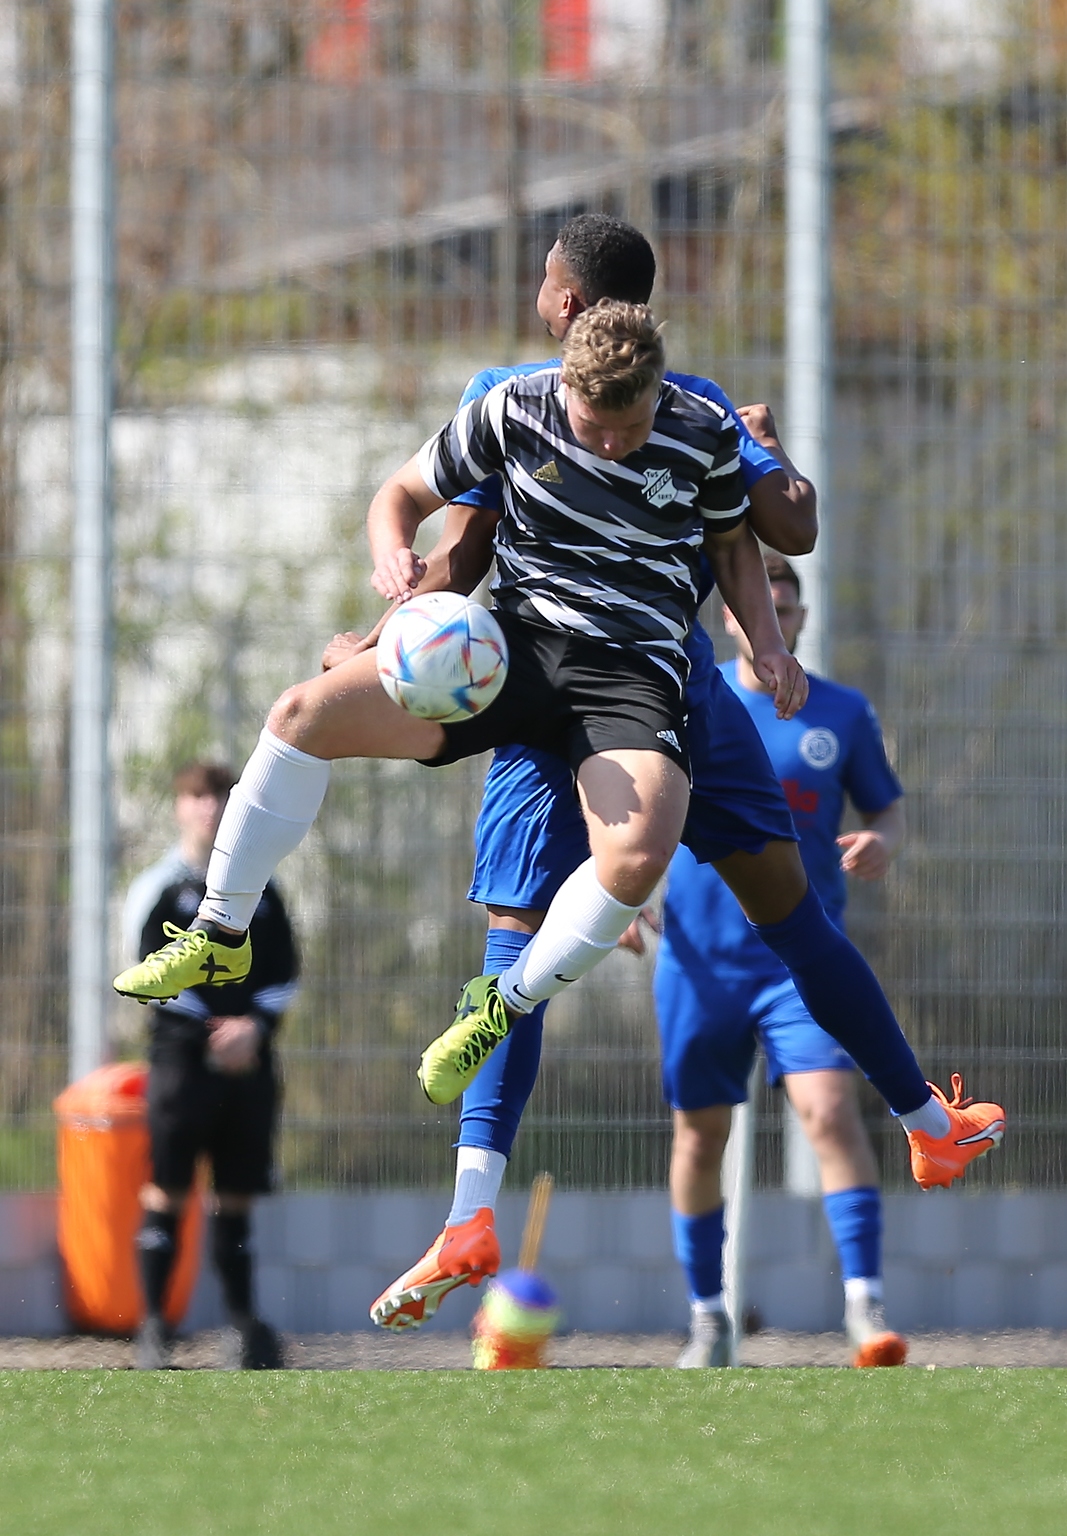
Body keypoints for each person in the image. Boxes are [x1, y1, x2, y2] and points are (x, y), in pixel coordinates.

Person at [364, 218, 1005, 1340]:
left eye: (543, 281)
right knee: (761, 925)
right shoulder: (542, 400)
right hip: (625, 699)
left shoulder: (674, 406)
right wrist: (388, 635)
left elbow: (774, 526)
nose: (535, 293)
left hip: (623, 698)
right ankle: (915, 1120)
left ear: (565, 305)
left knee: (564, 934)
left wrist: (765, 462)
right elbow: (462, 540)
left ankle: (476, 1212)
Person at [115, 302, 805, 1116]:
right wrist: (392, 559)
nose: (612, 443)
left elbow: (733, 543)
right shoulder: (514, 406)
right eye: (595, 425)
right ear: (567, 388)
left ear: (657, 391)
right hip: (507, 653)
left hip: (627, 675)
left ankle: (499, 1003)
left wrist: (766, 641)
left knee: (638, 854)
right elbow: (402, 492)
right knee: (302, 713)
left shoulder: (700, 427)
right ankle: (219, 933)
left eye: (629, 424)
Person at [659, 554, 907, 1367]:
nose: (776, 619)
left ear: (797, 620)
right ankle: (707, 1319)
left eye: (789, 608)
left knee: (830, 1114)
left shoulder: (840, 711)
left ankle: (864, 1310)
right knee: (699, 1138)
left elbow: (886, 810)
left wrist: (880, 841)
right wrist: (613, 898)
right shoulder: (690, 701)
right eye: (761, 605)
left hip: (797, 968)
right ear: (732, 616)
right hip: (697, 963)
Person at [121, 761, 297, 1369]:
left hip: (249, 1064)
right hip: (180, 1065)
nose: (209, 807)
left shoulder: (263, 892)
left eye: (220, 795)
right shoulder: (159, 889)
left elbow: (283, 974)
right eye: (196, 796)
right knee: (167, 1189)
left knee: (237, 1194)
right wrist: (206, 1031)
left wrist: (254, 1028)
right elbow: (146, 972)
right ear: (180, 807)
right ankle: (152, 1328)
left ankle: (244, 1328)